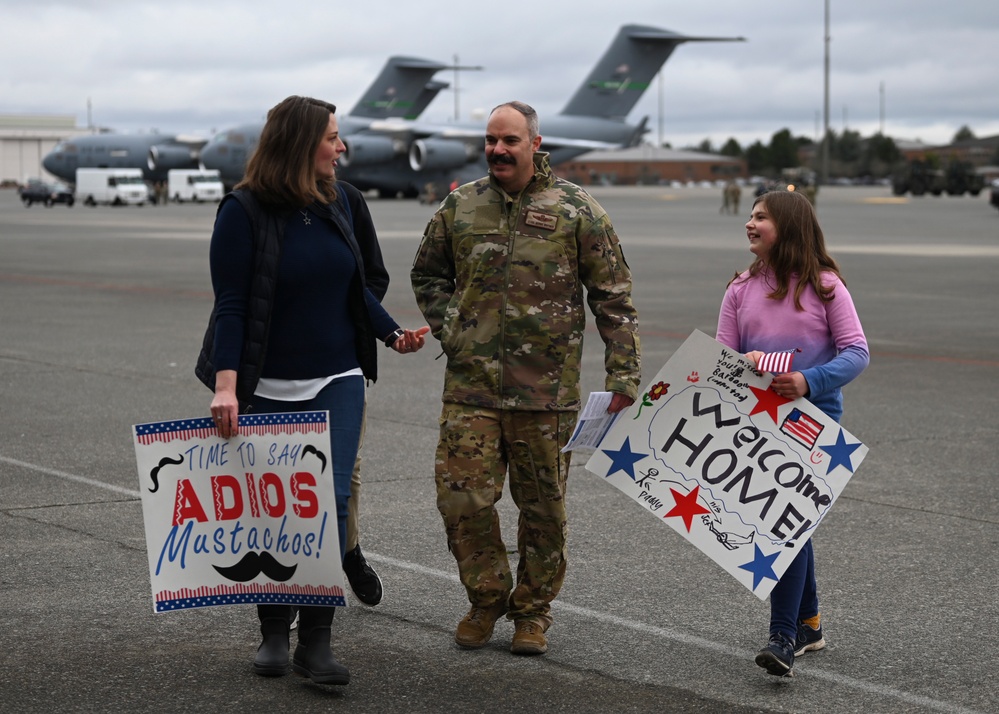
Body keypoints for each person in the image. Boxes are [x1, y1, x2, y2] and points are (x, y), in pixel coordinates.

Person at [196, 95, 428, 686]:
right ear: (302, 143)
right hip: (264, 382)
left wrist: (389, 332)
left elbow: (360, 283)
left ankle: (316, 641)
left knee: (329, 505)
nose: (342, 146)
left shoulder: (345, 201)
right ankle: (274, 633)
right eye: (331, 136)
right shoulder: (243, 210)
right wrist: (226, 387)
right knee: (275, 508)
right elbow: (232, 305)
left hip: (337, 376)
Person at [411, 101, 641, 656]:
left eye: (510, 140)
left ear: (536, 144)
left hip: (546, 393)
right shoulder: (460, 207)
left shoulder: (576, 209)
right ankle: (486, 599)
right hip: (472, 388)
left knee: (543, 510)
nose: (497, 150)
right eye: (490, 140)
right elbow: (427, 273)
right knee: (462, 498)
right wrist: (455, 330)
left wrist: (623, 373)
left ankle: (533, 612)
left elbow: (613, 296)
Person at [715, 189, 869, 676]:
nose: (750, 223)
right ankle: (809, 623)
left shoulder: (826, 287)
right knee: (791, 521)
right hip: (757, 421)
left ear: (790, 226)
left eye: (761, 217)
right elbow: (720, 359)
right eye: (750, 215)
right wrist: (746, 364)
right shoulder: (739, 288)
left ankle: (782, 636)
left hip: (813, 423)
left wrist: (808, 380)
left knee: (783, 525)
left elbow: (856, 352)